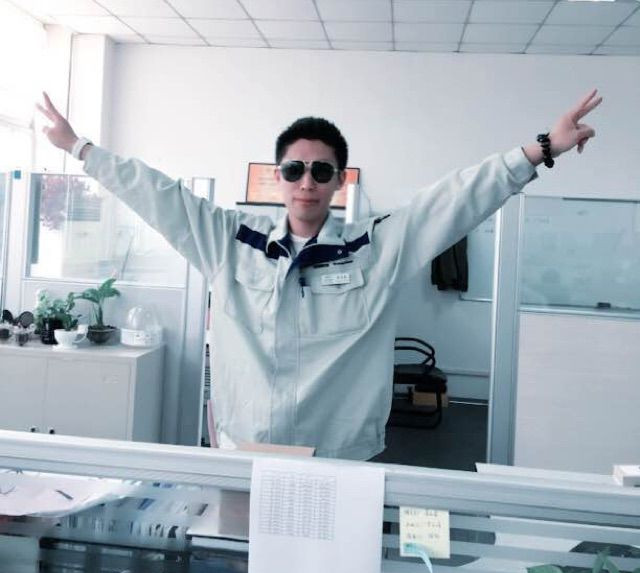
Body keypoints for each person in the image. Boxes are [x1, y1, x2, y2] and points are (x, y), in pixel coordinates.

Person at [38, 90, 602, 460]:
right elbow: (157, 193)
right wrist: (79, 147)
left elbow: (455, 199)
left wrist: (542, 148)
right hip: (245, 449)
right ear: (278, 177)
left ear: (339, 180)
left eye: (321, 170)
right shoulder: (228, 242)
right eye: (294, 169)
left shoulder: (375, 248)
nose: (306, 181)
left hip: (339, 456)